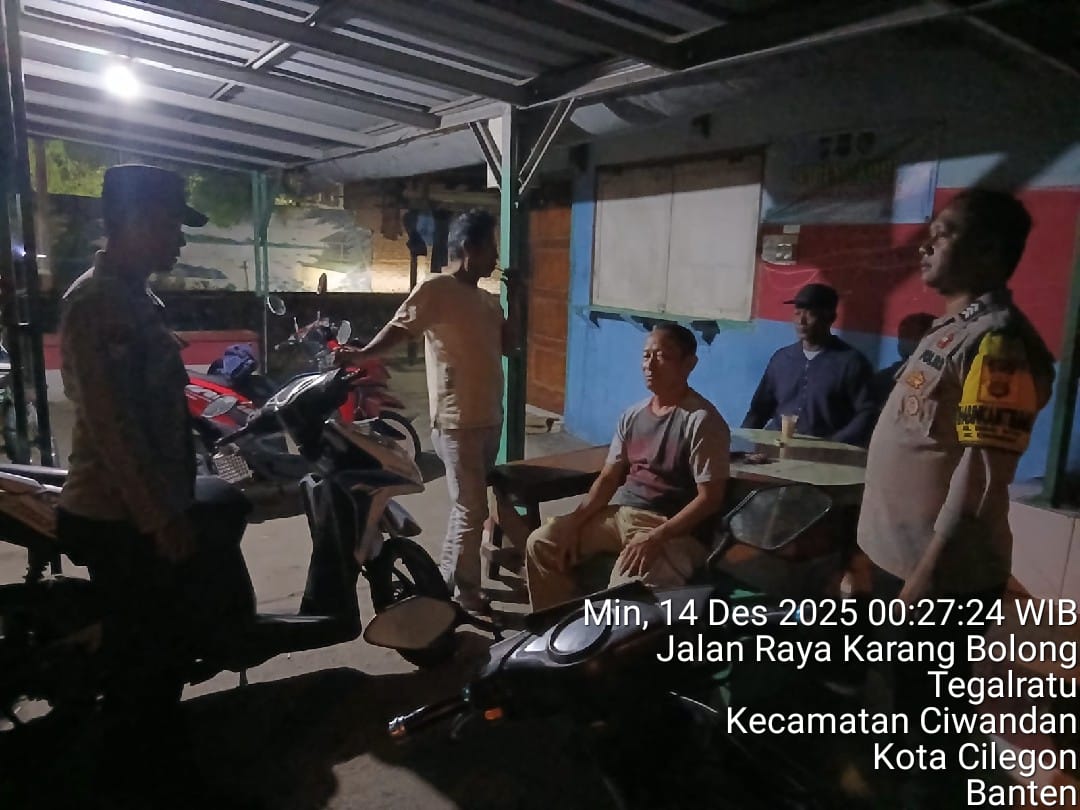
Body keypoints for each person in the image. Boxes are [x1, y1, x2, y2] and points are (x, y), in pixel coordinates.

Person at [854, 189, 1055, 807]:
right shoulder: (951, 329)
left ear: (988, 250)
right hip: (900, 563)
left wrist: (926, 578)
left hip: (937, 576)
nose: (926, 244)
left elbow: (981, 475)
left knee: (926, 726)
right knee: (896, 708)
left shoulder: (998, 341)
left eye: (943, 233)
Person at [57, 165, 251, 788]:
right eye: (172, 224)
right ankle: (141, 777)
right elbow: (114, 429)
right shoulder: (99, 304)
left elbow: (154, 406)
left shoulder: (133, 296)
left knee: (159, 649)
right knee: (147, 661)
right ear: (137, 222)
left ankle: (152, 761)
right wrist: (159, 518)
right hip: (120, 514)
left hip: (143, 504)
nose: (180, 239)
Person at [335, 209, 524, 614]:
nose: (495, 258)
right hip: (457, 420)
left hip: (489, 416)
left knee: (467, 508)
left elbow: (510, 346)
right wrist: (364, 354)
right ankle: (465, 592)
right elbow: (401, 327)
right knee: (471, 509)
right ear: (469, 248)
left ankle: (445, 582)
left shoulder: (486, 300)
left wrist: (518, 299)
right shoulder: (436, 288)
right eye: (491, 248)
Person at [525, 324, 730, 611]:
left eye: (662, 356)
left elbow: (710, 499)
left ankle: (617, 638)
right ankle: (560, 628)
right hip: (622, 515)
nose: (650, 365)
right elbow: (609, 477)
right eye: (646, 355)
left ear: (689, 364)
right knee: (542, 542)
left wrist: (657, 537)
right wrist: (575, 520)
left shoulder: (701, 421)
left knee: (626, 592)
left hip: (671, 527)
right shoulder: (632, 416)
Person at [741, 283, 876, 445]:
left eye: (810, 314)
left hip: (822, 451)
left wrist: (834, 445)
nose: (801, 321)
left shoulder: (850, 362)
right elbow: (759, 409)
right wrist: (741, 441)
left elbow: (867, 413)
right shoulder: (782, 359)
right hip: (777, 444)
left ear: (830, 318)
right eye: (797, 313)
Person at [869, 312, 935, 410]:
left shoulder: (881, 380)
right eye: (903, 336)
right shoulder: (883, 379)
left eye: (907, 336)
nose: (902, 340)